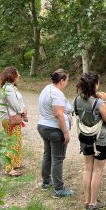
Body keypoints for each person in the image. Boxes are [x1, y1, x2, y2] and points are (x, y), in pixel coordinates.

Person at [74, 72, 106, 209]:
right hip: (99, 140)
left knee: (87, 169)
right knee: (97, 171)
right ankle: (93, 202)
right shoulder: (99, 103)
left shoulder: (76, 100)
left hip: (85, 138)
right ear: (94, 85)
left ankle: (87, 201)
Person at [37, 69, 73, 198]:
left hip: (43, 126)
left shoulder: (47, 88)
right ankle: (59, 190)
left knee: (48, 155)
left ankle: (46, 182)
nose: (67, 83)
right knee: (57, 158)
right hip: (54, 129)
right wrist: (66, 133)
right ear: (62, 80)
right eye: (67, 80)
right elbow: (58, 114)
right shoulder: (57, 93)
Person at [0, 66, 28, 177]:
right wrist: (23, 112)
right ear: (11, 75)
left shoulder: (12, 87)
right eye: (17, 73)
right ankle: (9, 168)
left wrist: (23, 109)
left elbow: (20, 102)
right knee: (13, 143)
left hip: (14, 118)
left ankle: (15, 163)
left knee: (17, 141)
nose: (19, 75)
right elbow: (15, 105)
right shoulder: (8, 89)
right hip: (10, 119)